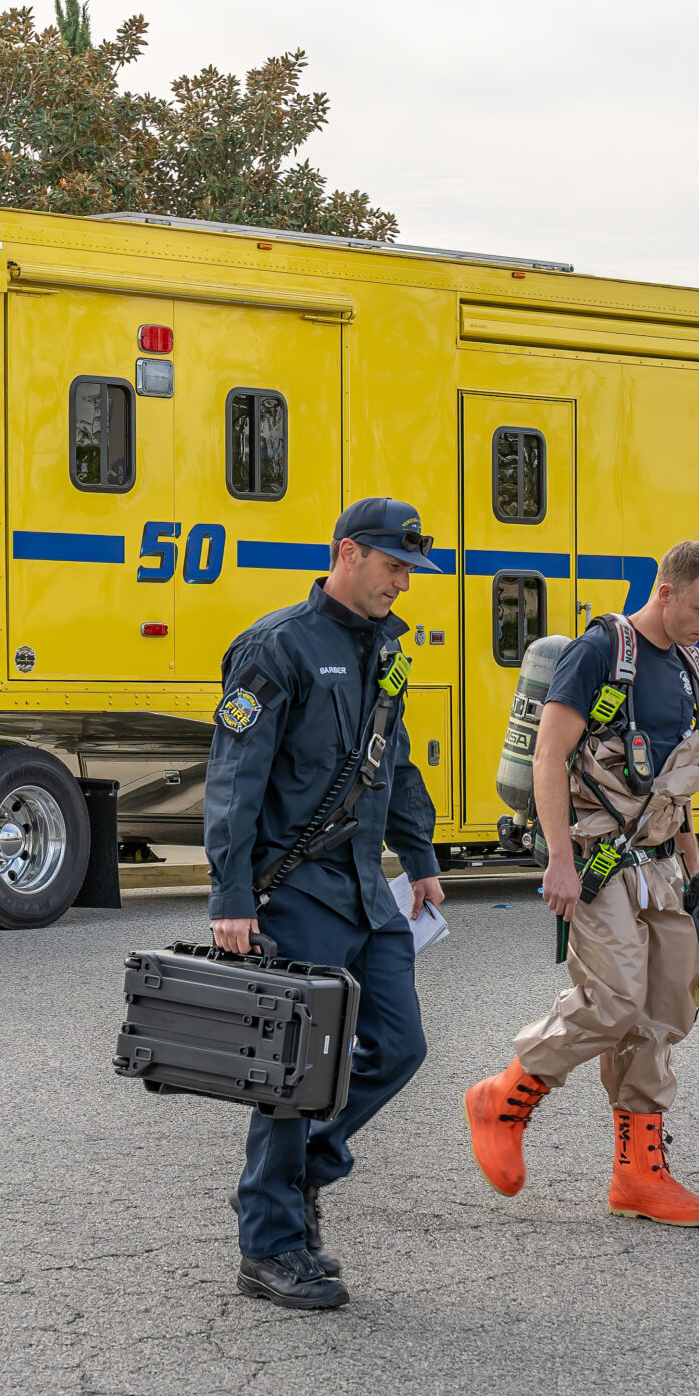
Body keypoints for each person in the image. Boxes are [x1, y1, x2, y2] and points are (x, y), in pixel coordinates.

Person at [203, 497, 448, 1311]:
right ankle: (269, 1245)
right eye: (393, 566)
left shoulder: (388, 650)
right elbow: (234, 780)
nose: (403, 583)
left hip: (365, 893)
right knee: (292, 1071)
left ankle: (306, 1167)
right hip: (295, 892)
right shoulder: (276, 648)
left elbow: (396, 760)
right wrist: (231, 895)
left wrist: (419, 858)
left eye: (410, 570)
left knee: (401, 1043)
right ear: (348, 553)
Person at [465, 540, 699, 1224]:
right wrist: (557, 857)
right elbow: (550, 754)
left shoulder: (689, 666)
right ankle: (504, 1096)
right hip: (596, 859)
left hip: (661, 864)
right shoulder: (600, 653)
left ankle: (638, 1173)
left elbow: (677, 787)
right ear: (666, 591)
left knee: (665, 1008)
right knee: (613, 999)